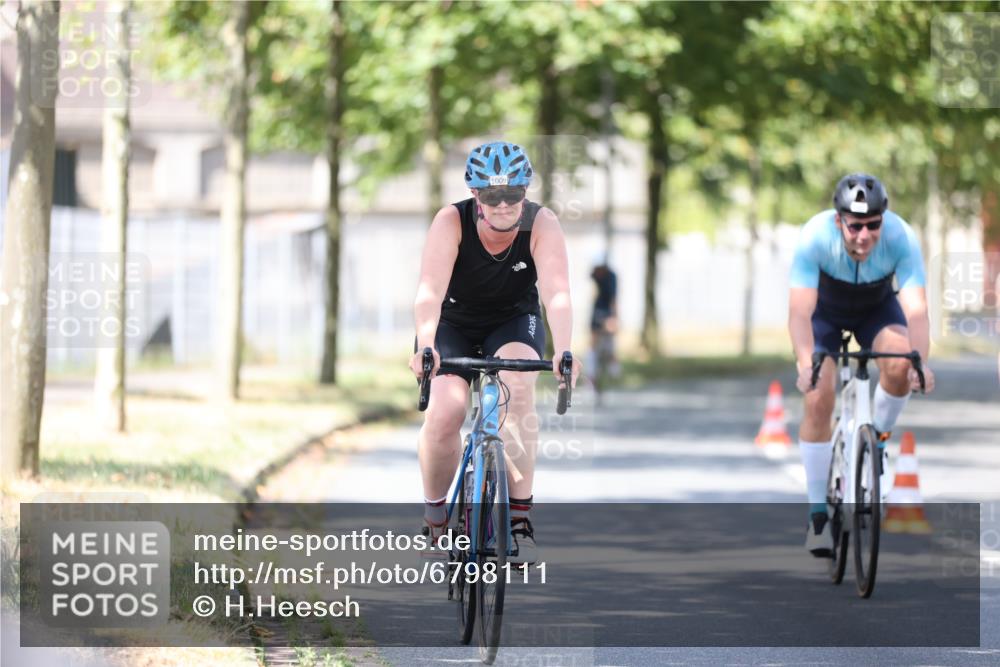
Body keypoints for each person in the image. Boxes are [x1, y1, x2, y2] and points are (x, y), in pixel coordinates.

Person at [409, 141, 580, 565]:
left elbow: (557, 294)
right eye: (491, 196)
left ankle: (518, 511)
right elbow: (429, 292)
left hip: (512, 319)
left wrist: (565, 351)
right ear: (475, 196)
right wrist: (426, 344)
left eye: (513, 195)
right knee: (447, 410)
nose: (503, 205)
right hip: (452, 322)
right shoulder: (451, 221)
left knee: (518, 390)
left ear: (525, 192)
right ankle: (435, 510)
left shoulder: (542, 223)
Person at [788, 173, 936, 557]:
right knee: (819, 394)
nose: (864, 236)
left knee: (901, 363)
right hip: (826, 312)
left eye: (873, 225)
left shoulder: (901, 236)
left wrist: (919, 362)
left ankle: (878, 442)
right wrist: (807, 365)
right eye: (855, 226)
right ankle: (818, 515)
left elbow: (916, 311)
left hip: (875, 308)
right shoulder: (815, 236)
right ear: (839, 221)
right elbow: (800, 313)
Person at [588, 255, 619, 384]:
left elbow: (613, 298)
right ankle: (592, 374)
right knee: (595, 343)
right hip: (598, 311)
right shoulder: (597, 275)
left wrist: (614, 316)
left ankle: (611, 366)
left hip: (606, 312)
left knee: (609, 341)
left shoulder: (610, 277)